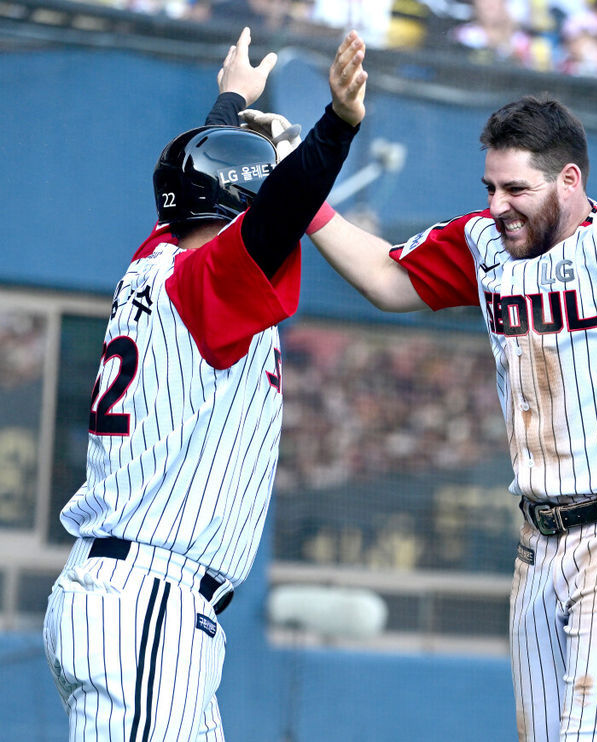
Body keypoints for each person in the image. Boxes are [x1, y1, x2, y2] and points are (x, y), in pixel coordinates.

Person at [297, 40, 597, 735]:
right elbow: (386, 278)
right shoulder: (486, 243)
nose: (498, 205)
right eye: (489, 188)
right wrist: (304, 194)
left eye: (516, 189)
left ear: (568, 180)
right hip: (539, 537)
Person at [41, 28, 368, 741]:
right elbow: (273, 215)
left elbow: (205, 186)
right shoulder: (206, 282)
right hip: (148, 604)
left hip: (138, 602)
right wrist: (336, 128)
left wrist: (229, 104)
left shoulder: (157, 260)